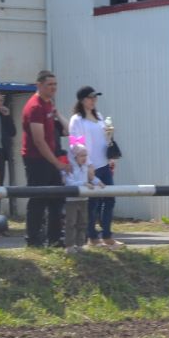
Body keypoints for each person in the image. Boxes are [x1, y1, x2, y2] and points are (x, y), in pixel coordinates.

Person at [70, 86, 121, 248]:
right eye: (90, 97)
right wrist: (88, 164)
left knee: (110, 199)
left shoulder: (99, 116)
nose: (93, 100)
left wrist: (111, 156)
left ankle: (107, 235)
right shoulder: (77, 120)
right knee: (93, 203)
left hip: (104, 164)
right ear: (82, 100)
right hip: (90, 167)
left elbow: (105, 139)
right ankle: (92, 237)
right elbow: (75, 144)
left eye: (95, 98)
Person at [21, 70, 66, 248]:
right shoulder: (35, 107)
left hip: (51, 157)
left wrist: (57, 114)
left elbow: (67, 130)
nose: (53, 88)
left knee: (57, 198)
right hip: (36, 159)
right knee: (38, 199)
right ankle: (33, 239)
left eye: (55, 84)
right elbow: (39, 141)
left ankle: (54, 239)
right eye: (49, 84)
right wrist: (57, 163)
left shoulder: (49, 104)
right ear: (39, 85)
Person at [61, 139, 94, 254]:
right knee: (71, 222)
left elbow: (91, 179)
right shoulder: (69, 168)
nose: (84, 158)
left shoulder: (85, 167)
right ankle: (69, 246)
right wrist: (83, 184)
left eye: (85, 155)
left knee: (83, 222)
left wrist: (97, 182)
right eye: (81, 155)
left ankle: (80, 244)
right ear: (74, 156)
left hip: (84, 199)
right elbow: (69, 183)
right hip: (72, 200)